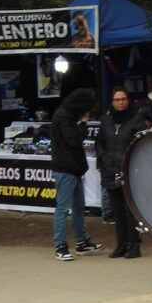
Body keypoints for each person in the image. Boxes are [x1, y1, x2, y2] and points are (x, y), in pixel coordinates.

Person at [50, 88, 105, 261]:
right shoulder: (65, 117)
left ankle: (81, 243)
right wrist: (83, 124)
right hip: (66, 169)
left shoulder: (65, 114)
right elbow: (73, 140)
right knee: (63, 208)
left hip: (72, 168)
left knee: (78, 208)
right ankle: (60, 246)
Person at [95, 87, 149, 258]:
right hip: (110, 170)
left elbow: (142, 143)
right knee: (117, 210)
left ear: (128, 100)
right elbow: (99, 142)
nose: (120, 102)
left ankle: (134, 245)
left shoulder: (137, 118)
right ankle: (121, 244)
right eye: (117, 100)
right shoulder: (106, 120)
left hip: (130, 170)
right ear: (112, 102)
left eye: (123, 99)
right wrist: (102, 157)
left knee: (130, 210)